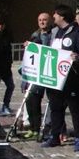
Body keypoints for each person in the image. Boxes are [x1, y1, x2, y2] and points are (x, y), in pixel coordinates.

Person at [42, 5, 79, 151]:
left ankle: (78, 138)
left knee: (76, 109)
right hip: (56, 78)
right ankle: (55, 136)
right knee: (56, 108)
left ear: (62, 16)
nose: (54, 17)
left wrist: (78, 57)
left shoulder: (77, 32)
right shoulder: (55, 32)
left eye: (55, 14)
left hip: (72, 79)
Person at [23, 12, 53, 141]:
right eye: (40, 20)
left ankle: (50, 128)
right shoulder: (35, 35)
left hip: (50, 71)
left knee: (53, 102)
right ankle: (34, 127)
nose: (42, 22)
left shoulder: (54, 34)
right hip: (37, 72)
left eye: (44, 20)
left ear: (49, 21)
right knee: (32, 100)